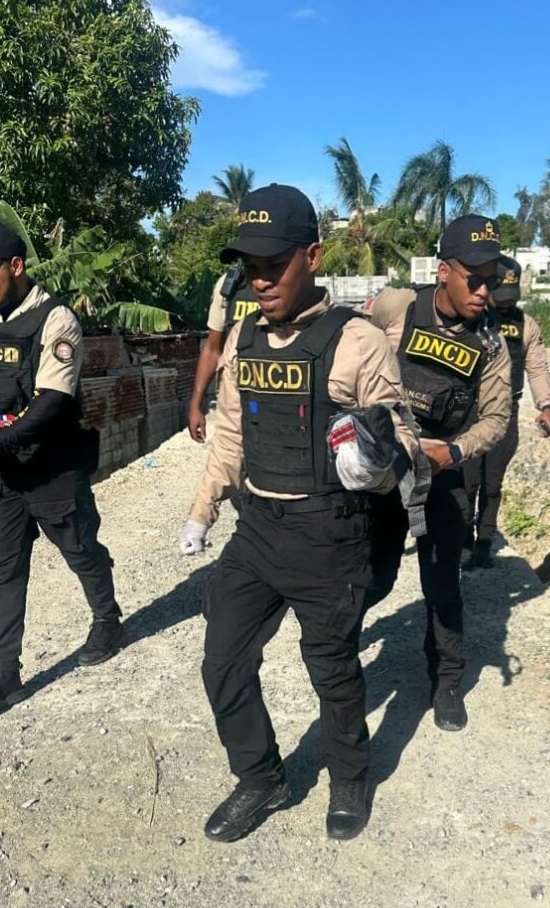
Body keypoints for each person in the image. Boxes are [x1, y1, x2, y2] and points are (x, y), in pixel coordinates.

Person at [178, 184, 418, 842]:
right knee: (222, 660)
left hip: (329, 533)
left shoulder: (358, 342)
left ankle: (349, 778)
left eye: (273, 265)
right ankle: (261, 777)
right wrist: (202, 510)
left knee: (331, 669)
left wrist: (375, 461)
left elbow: (398, 434)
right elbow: (231, 432)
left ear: (311, 257)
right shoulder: (243, 338)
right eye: (250, 268)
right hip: (258, 528)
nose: (260, 281)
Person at [0, 221, 123, 717]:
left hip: (52, 466)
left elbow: (51, 403)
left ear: (15, 266)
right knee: (4, 570)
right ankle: (3, 675)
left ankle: (107, 620)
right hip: (0, 469)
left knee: (80, 549)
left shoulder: (56, 320)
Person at [366, 214, 512, 733]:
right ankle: (339, 649)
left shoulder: (491, 343)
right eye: (474, 278)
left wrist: (453, 451)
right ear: (444, 271)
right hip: (387, 468)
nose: (483, 291)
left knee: (442, 584)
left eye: (491, 279)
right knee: (373, 573)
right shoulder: (398, 306)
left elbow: (496, 419)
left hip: (443, 470)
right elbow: (354, 344)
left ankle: (447, 681)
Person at [464, 259, 550, 569]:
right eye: (501, 296)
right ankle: (462, 539)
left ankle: (484, 542)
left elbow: (537, 367)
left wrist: (546, 406)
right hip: (470, 411)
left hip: (506, 410)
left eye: (511, 297)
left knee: (493, 483)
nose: (507, 303)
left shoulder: (526, 324)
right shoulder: (469, 319)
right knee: (468, 480)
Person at [187, 265, 259, 442]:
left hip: (277, 401)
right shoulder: (230, 285)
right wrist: (195, 405)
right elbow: (212, 349)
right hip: (235, 401)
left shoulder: (291, 280)